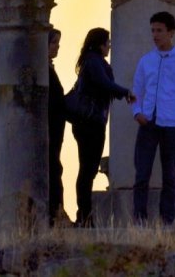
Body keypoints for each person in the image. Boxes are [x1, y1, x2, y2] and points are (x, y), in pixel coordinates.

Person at [130, 11, 175, 226]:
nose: (155, 35)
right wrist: (137, 112)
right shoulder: (146, 61)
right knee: (142, 174)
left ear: (171, 32)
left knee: (170, 176)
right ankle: (139, 220)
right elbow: (136, 91)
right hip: (148, 123)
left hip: (171, 124)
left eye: (159, 30)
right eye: (153, 30)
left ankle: (166, 221)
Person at [70, 26, 134, 227]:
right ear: (100, 45)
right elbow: (104, 84)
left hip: (87, 123)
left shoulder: (91, 61)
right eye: (108, 43)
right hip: (90, 123)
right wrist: (126, 92)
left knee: (87, 169)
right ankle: (84, 216)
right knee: (87, 170)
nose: (110, 46)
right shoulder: (94, 61)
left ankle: (84, 215)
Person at [47, 28, 67, 225]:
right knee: (53, 170)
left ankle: (57, 213)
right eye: (54, 43)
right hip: (49, 132)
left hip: (55, 131)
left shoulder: (48, 69)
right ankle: (56, 213)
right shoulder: (44, 71)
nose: (57, 47)